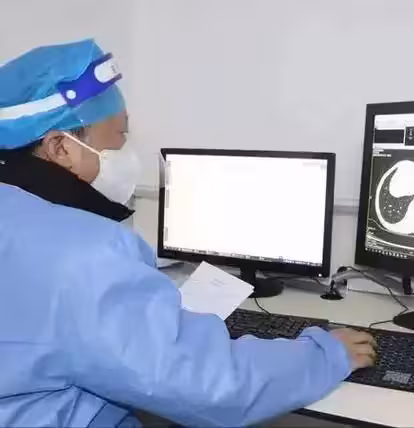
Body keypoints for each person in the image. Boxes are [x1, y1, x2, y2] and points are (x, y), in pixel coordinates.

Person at [0, 40, 376, 427]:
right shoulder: (82, 252)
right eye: (119, 135)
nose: (126, 150)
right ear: (60, 148)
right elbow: (210, 386)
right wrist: (325, 354)